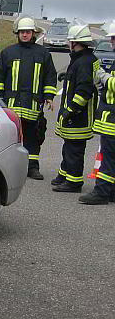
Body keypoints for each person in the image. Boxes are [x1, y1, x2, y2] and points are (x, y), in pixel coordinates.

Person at [0, 17, 57, 179]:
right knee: (10, 138)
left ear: (33, 33)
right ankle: (8, 168)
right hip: (11, 106)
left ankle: (32, 167)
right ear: (17, 33)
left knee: (33, 137)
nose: (25, 35)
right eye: (22, 32)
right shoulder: (8, 53)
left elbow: (50, 77)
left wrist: (49, 96)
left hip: (33, 106)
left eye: (27, 32)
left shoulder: (43, 54)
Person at [51, 25, 98, 193]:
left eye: (70, 41)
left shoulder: (84, 62)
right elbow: (80, 79)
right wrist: (67, 76)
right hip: (76, 116)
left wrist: (71, 109)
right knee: (68, 147)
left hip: (79, 116)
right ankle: (64, 175)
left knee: (74, 150)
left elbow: (84, 90)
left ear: (75, 42)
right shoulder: (82, 59)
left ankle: (73, 182)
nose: (68, 43)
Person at [81, 32, 115, 204]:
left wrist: (104, 77)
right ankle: (111, 192)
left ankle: (101, 193)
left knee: (108, 158)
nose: (112, 41)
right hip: (110, 117)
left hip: (112, 120)